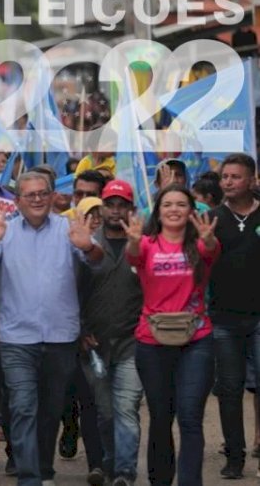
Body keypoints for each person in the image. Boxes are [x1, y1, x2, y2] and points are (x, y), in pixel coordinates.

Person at [0, 171, 104, 486]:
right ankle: (29, 479)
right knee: (23, 409)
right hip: (17, 338)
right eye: (30, 194)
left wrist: (88, 246)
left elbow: (97, 261)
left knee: (50, 412)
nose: (38, 199)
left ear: (54, 195)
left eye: (43, 193)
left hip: (60, 337)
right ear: (18, 200)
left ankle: (45, 472)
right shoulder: (5, 231)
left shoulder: (68, 229)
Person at [122, 185, 220, 486]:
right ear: (159, 210)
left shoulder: (199, 245)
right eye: (167, 204)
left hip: (196, 339)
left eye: (181, 204)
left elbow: (212, 249)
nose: (174, 209)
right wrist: (135, 242)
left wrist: (208, 238)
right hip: (152, 341)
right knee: (161, 417)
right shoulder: (147, 244)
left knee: (190, 418)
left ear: (191, 211)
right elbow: (133, 257)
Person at [78, 180, 144, 486]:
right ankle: (106, 463)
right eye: (110, 204)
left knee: (126, 407)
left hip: (133, 342)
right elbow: (72, 291)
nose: (116, 210)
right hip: (95, 344)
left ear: (131, 209)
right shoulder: (87, 243)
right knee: (104, 411)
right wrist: (81, 329)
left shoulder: (144, 244)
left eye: (122, 205)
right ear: (101, 208)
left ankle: (124, 473)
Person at [208, 154, 260, 479]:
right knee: (229, 389)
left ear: (252, 180)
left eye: (235, 177)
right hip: (224, 319)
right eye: (224, 176)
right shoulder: (211, 219)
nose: (227, 182)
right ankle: (234, 457)